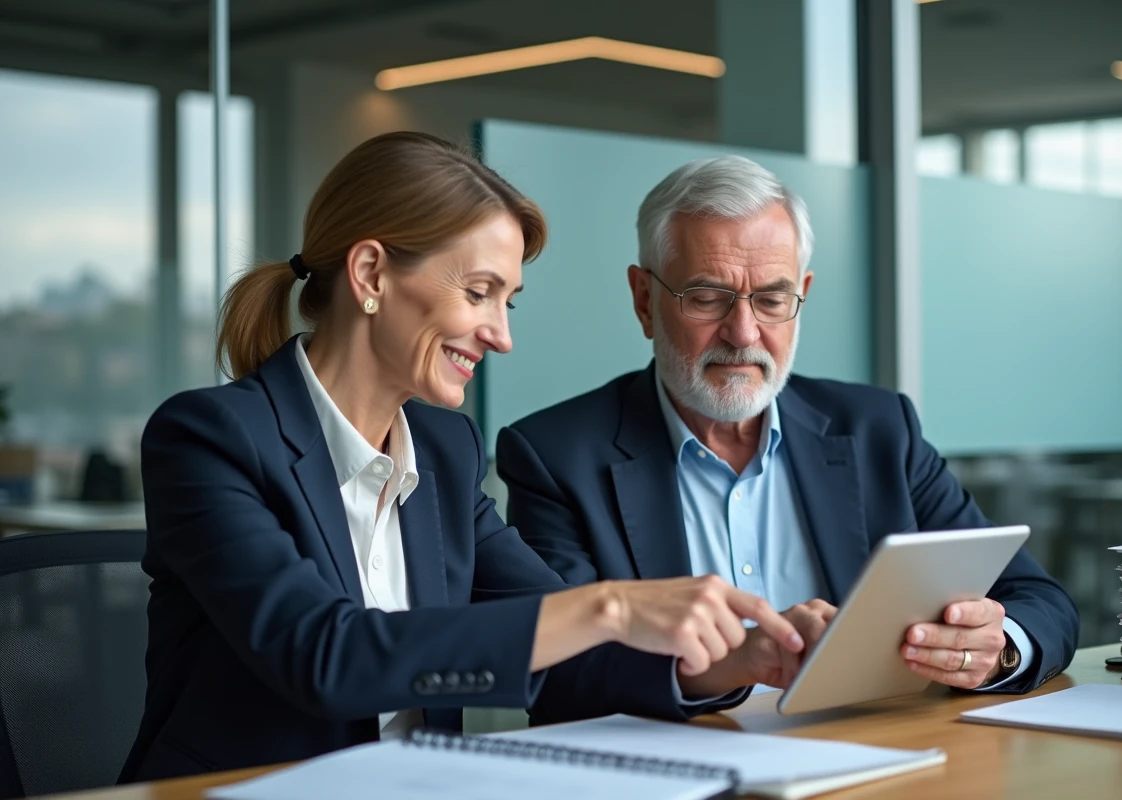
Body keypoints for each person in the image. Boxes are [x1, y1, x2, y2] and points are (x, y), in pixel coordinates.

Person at [119, 134, 810, 783]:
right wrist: (609, 604)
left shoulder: (445, 453)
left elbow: (556, 647)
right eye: (479, 293)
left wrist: (729, 664)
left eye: (508, 301)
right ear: (370, 274)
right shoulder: (209, 438)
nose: (501, 335)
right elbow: (324, 654)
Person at [496, 155, 1080, 696]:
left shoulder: (880, 431)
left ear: (801, 295)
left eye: (772, 300)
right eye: (707, 298)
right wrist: (722, 668)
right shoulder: (556, 455)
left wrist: (996, 649)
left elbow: (1039, 600)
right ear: (645, 300)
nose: (744, 334)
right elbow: (551, 677)